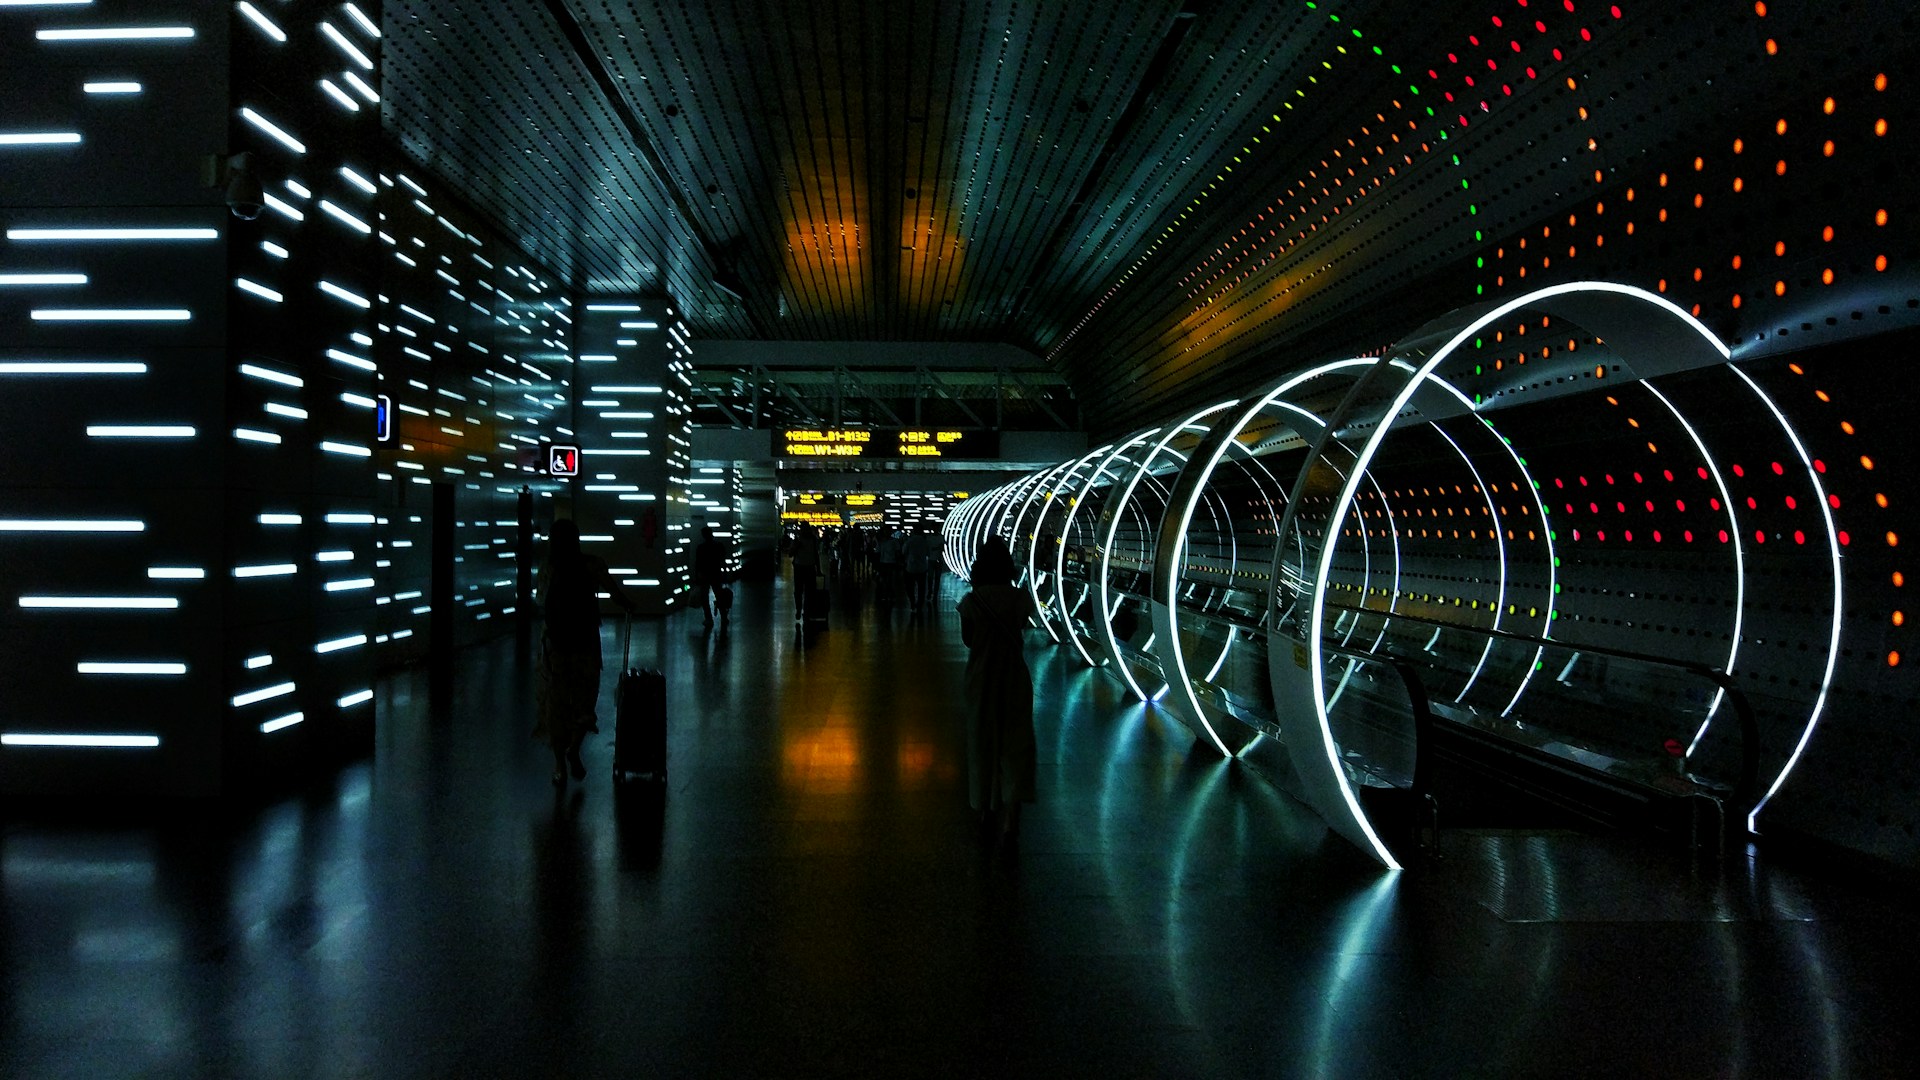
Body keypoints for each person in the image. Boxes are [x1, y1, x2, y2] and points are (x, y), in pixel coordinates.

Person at [534, 518, 635, 787]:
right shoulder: (591, 564)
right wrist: (629, 605)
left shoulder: (548, 567)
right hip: (586, 642)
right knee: (585, 700)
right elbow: (615, 592)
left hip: (554, 646)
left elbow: (540, 601)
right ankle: (574, 749)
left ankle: (558, 765)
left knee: (556, 703)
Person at [958, 536, 1036, 841]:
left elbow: (968, 640)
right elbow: (1023, 625)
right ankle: (1011, 817)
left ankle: (985, 808)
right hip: (1015, 677)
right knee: (1016, 744)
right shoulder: (1020, 598)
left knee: (982, 742)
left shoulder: (972, 602)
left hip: (981, 678)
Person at [693, 524, 727, 629]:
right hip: (716, 573)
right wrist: (724, 573)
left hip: (704, 574)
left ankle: (708, 618)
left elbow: (698, 563)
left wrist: (696, 575)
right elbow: (723, 560)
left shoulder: (701, 547)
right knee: (719, 595)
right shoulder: (719, 545)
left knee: (704, 597)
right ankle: (724, 617)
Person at [790, 523, 820, 622]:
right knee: (809, 591)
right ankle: (805, 611)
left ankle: (800, 609)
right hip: (810, 567)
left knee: (799, 590)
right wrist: (818, 569)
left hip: (800, 567)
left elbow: (791, 554)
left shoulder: (799, 539)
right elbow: (816, 555)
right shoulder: (813, 540)